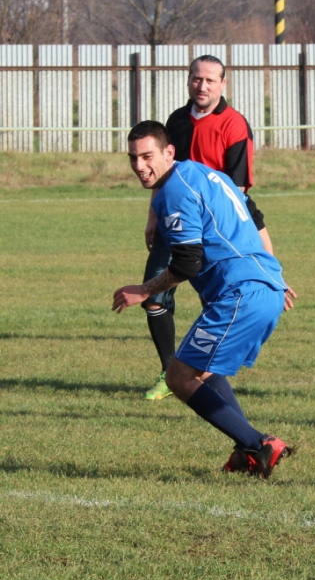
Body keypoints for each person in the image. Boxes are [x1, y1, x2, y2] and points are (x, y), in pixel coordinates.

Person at [115, 120, 293, 477]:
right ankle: (249, 451)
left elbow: (186, 261)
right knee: (201, 368)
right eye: (133, 158)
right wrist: (273, 274)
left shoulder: (175, 192)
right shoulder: (207, 174)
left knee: (178, 377)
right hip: (264, 288)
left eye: (147, 156)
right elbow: (254, 215)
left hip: (239, 293)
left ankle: (259, 443)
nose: (139, 166)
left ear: (168, 152)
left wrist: (145, 290)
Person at [142, 54, 295, 400]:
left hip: (219, 226)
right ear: (188, 80)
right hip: (175, 219)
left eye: (211, 80)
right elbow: (160, 175)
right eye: (197, 78)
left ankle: (196, 375)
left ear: (223, 84)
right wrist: (153, 216)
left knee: (217, 302)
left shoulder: (234, 125)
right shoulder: (175, 122)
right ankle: (170, 374)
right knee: (153, 296)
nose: (203, 85)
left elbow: (237, 192)